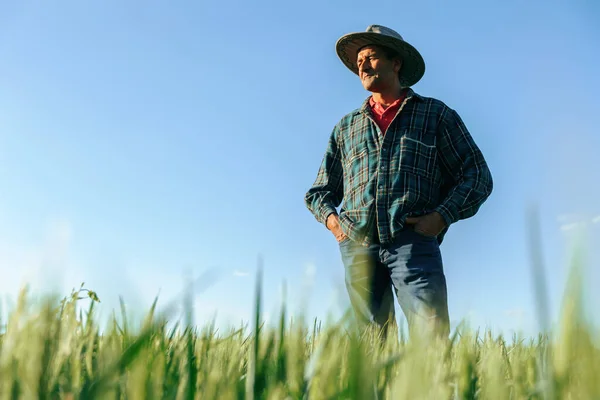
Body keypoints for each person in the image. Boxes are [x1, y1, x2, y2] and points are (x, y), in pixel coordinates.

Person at [304, 25, 493, 340]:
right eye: (359, 61)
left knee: (430, 334)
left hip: (413, 240)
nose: (362, 65)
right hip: (357, 245)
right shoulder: (346, 127)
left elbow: (477, 174)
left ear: (396, 63)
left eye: (372, 57)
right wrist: (336, 226)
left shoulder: (435, 115)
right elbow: (319, 192)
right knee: (371, 344)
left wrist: (440, 217)